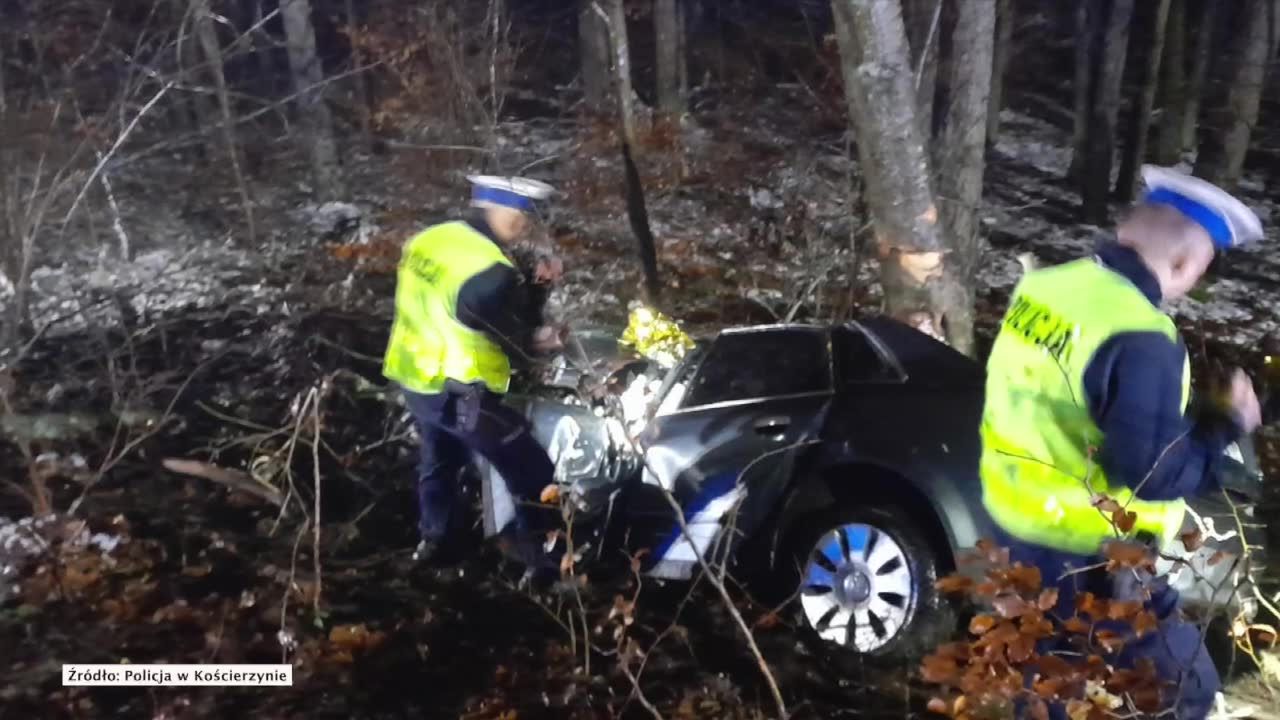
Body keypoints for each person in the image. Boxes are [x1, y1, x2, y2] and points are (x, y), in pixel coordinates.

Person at [978, 165, 1264, 719]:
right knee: (1186, 689)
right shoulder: (1142, 333)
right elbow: (1149, 471)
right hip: (1091, 558)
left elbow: (1063, 402)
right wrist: (1225, 428)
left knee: (1039, 690)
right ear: (1184, 263)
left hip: (1010, 534)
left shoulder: (1044, 287)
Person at [381, 175, 567, 572]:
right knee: (534, 472)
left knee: (440, 460)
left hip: (417, 379)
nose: (526, 226)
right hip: (465, 396)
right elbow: (517, 345)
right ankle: (543, 567)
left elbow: (452, 306)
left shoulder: (430, 239)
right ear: (493, 208)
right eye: (520, 215)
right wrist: (540, 302)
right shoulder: (492, 272)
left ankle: (437, 543)